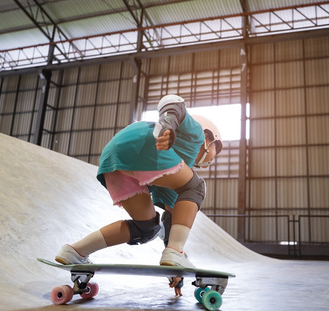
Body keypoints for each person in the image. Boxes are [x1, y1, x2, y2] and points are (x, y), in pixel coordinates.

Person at [54, 95, 222, 294]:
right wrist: (167, 126)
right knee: (196, 187)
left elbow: (171, 220)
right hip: (145, 144)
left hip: (113, 159)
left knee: (147, 227)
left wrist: (175, 266)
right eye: (214, 154)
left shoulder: (171, 173)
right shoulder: (195, 134)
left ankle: (75, 251)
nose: (209, 163)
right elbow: (173, 103)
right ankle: (176, 252)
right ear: (209, 139)